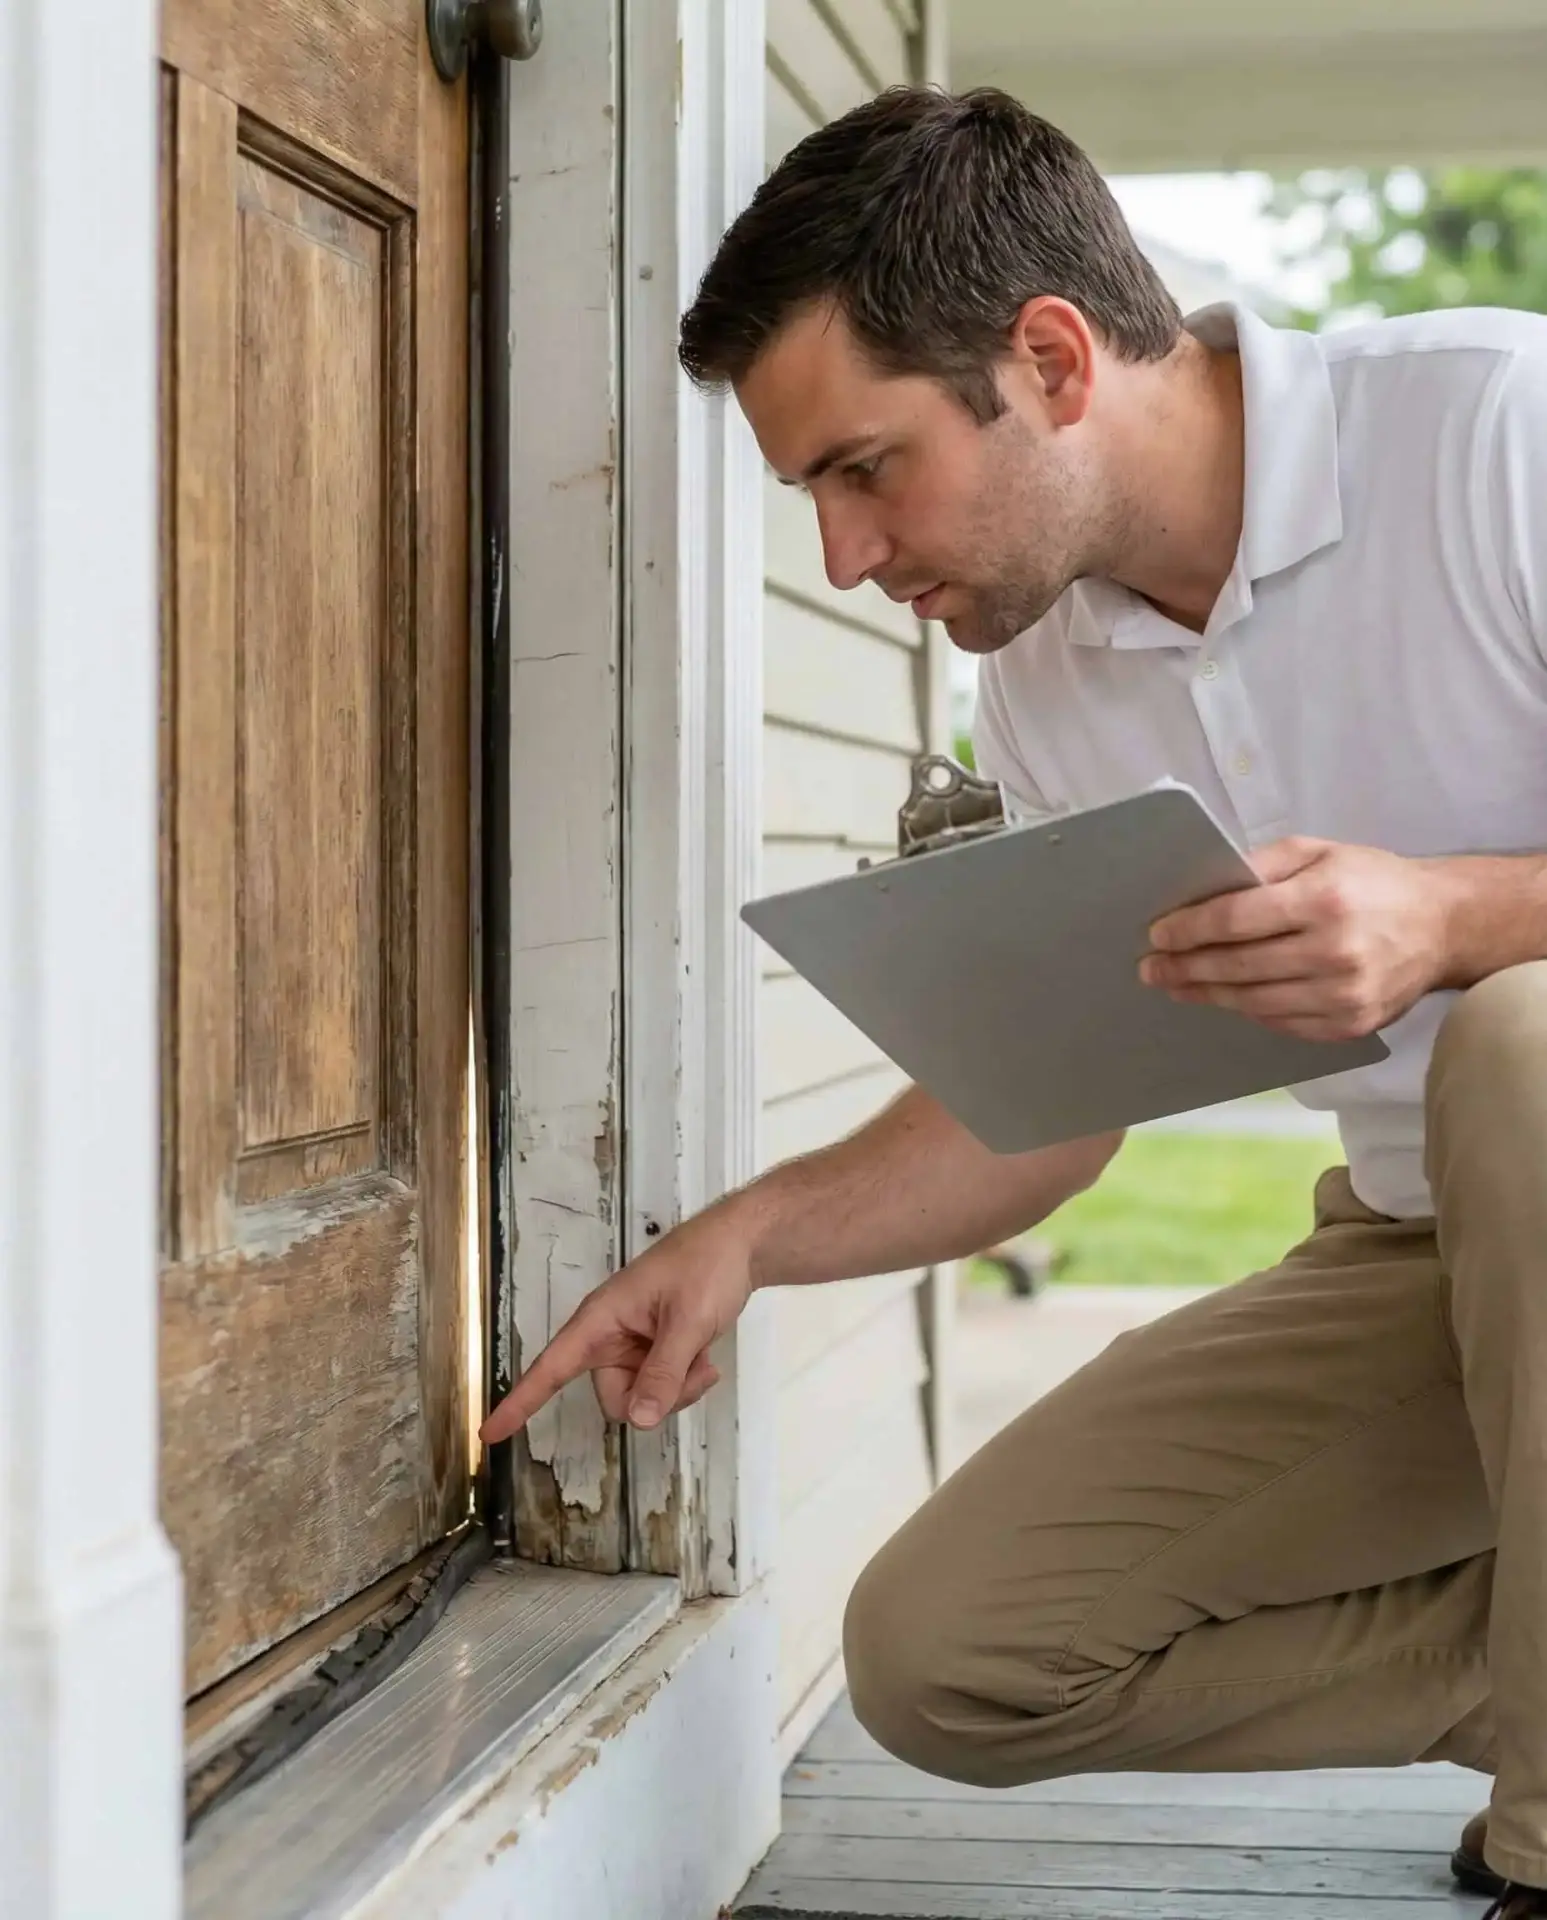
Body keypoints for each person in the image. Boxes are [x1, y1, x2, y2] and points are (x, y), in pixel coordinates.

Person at [482, 86, 1547, 1917]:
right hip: (1432, 1254)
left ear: (1048, 357)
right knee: (950, 1655)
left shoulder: (1498, 429)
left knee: (1523, 1040)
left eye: (861, 466)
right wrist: (746, 1235)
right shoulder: (1050, 676)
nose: (841, 557)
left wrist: (1460, 915)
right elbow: (1055, 1100)